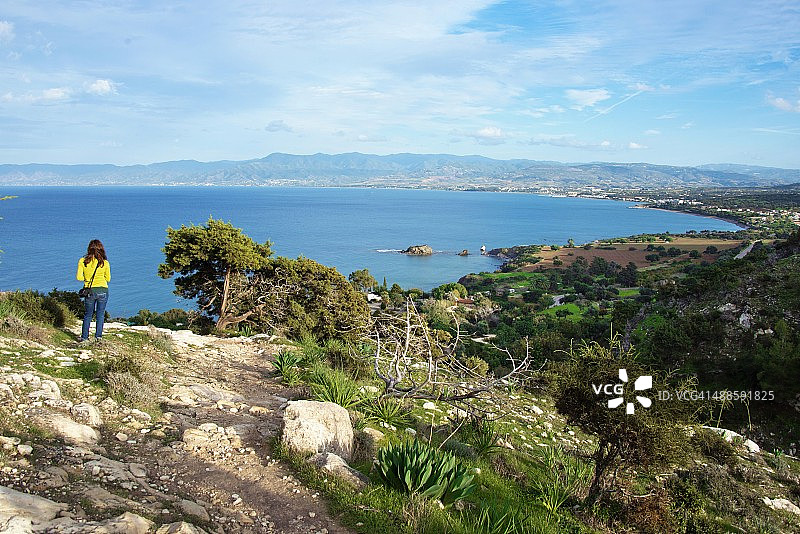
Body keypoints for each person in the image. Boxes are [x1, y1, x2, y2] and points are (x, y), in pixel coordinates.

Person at [77, 239, 111, 343]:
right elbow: (108, 278)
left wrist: (88, 279)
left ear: (89, 249)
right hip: (103, 290)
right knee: (100, 314)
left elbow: (79, 277)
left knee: (88, 314)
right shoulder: (105, 263)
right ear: (101, 249)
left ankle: (85, 338)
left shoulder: (82, 261)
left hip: (90, 291)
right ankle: (98, 337)